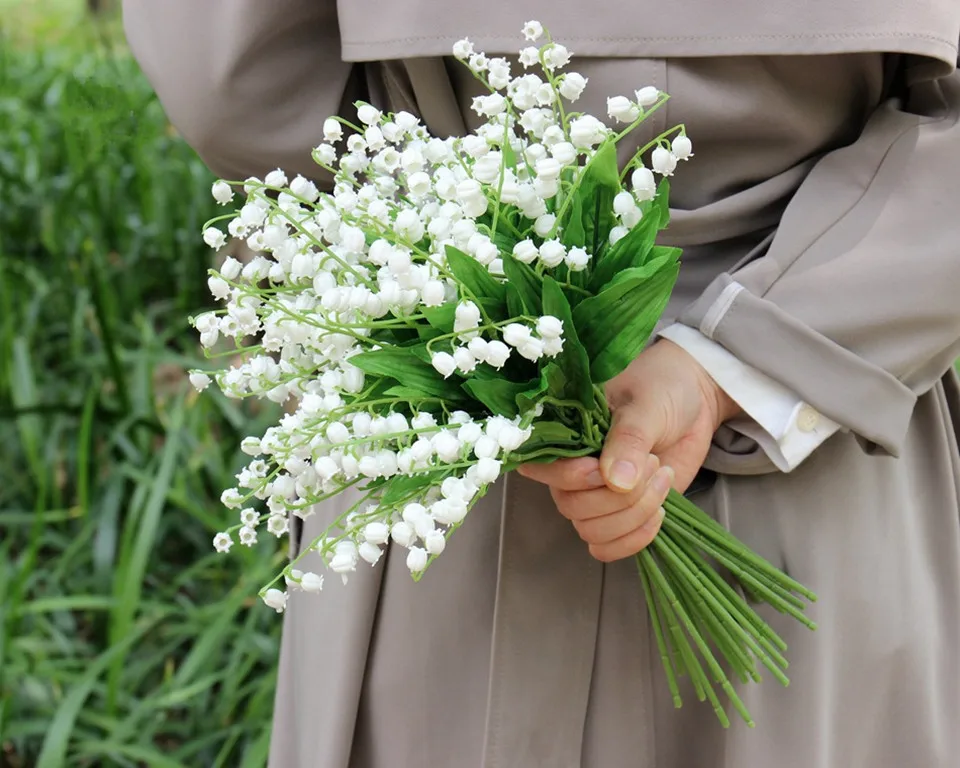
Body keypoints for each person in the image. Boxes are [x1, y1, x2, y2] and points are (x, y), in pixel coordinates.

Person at [122, 2, 960, 766]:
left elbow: (223, 74)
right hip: (816, 439)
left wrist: (414, 254)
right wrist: (738, 360)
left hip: (439, 448)